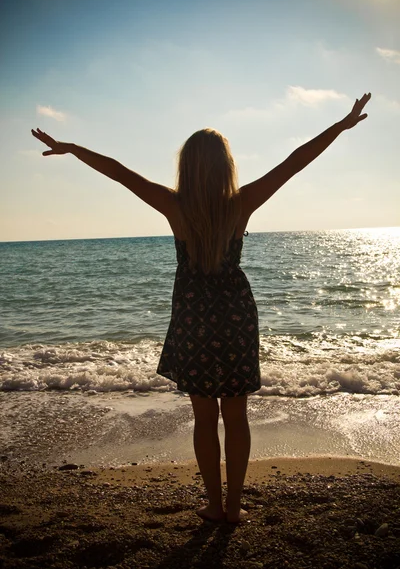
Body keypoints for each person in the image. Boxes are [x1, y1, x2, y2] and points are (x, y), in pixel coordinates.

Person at [32, 92, 371, 524]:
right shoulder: (241, 204)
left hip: (193, 318)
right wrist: (340, 126)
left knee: (204, 416)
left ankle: (214, 504)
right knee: (237, 413)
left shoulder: (175, 206)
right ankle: (233, 507)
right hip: (234, 316)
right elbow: (294, 161)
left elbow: (120, 173)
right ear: (226, 167)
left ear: (186, 168)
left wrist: (73, 149)